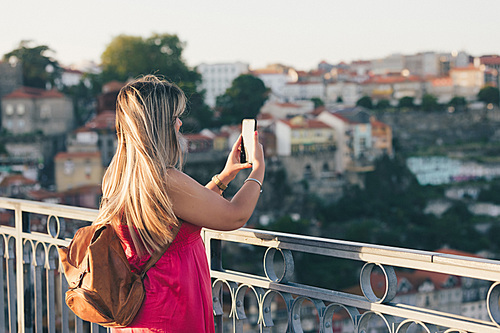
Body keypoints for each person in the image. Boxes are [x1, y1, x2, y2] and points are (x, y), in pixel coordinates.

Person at [92, 74, 265, 332]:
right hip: (172, 309)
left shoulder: (120, 176)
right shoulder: (166, 180)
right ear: (159, 125)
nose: (180, 123)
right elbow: (235, 216)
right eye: (175, 118)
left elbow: (175, 220)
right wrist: (259, 170)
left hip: (143, 311)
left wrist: (223, 178)